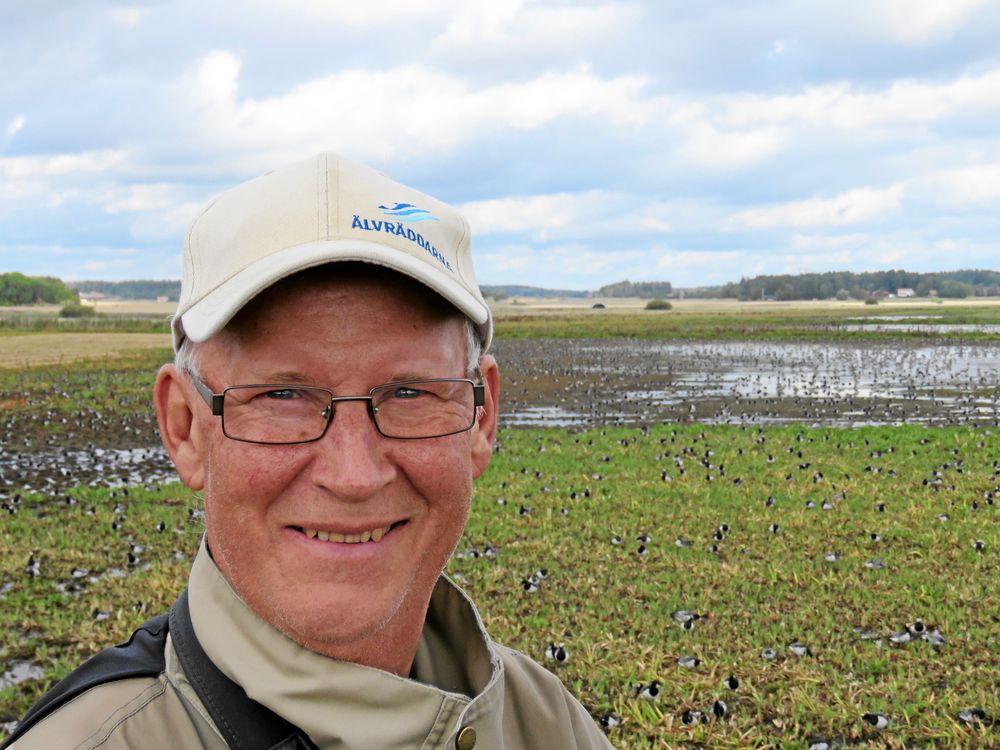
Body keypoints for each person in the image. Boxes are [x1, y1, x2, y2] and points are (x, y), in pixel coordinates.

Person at [3, 153, 614, 749]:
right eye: (282, 394)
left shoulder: (548, 722)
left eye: (409, 392)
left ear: (482, 419)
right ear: (185, 427)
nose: (353, 475)